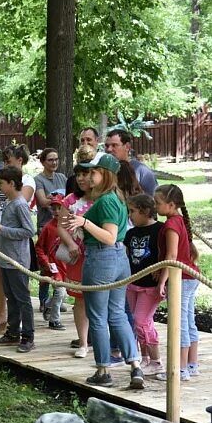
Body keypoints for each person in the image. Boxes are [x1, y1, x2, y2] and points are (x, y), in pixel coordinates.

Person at [61, 153, 144, 389]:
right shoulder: (116, 197)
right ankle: (135, 366)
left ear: (104, 174)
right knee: (117, 314)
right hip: (119, 259)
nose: (87, 176)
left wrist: (84, 223)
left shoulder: (107, 200)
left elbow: (108, 237)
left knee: (97, 316)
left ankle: (103, 369)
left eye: (92, 172)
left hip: (102, 258)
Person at [154, 184, 201, 381]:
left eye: (158, 203)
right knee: (188, 321)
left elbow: (171, 256)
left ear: (171, 204)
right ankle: (191, 363)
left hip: (180, 278)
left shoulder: (171, 224)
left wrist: (162, 280)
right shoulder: (179, 220)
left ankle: (180, 368)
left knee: (179, 323)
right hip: (190, 277)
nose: (155, 206)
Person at [0, 166, 35, 352]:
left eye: (1, 183)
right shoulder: (8, 202)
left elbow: (29, 231)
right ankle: (13, 331)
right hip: (6, 258)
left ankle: (28, 336)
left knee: (22, 298)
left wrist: (3, 230)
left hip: (17, 260)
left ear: (11, 183)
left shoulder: (20, 204)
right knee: (12, 298)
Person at [58, 147, 96, 358]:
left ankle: (103, 341)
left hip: (99, 254)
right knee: (80, 299)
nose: (81, 178)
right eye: (78, 174)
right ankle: (83, 342)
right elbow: (61, 226)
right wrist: (71, 244)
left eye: (85, 174)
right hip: (77, 255)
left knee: (100, 298)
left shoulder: (102, 198)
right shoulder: (70, 200)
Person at [124, 194, 164, 375]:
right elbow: (126, 256)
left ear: (146, 211)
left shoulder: (160, 230)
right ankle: (145, 357)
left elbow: (169, 253)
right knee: (137, 321)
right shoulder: (131, 233)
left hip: (151, 285)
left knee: (142, 321)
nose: (130, 215)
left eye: (132, 211)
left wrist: (163, 277)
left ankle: (156, 361)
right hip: (133, 283)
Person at [34, 194, 67, 331]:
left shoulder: (70, 225)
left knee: (64, 293)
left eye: (60, 208)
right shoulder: (48, 227)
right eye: (54, 209)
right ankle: (54, 320)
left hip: (66, 266)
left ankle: (47, 304)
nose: (57, 212)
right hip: (53, 267)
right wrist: (45, 262)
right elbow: (39, 247)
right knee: (59, 292)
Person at [105, 129, 157, 197]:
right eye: (107, 146)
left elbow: (154, 200)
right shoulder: (103, 170)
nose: (109, 149)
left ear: (127, 147)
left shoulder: (142, 171)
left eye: (114, 145)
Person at [66, 127, 100, 195]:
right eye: (82, 140)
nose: (85, 143)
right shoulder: (72, 181)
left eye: (89, 139)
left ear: (97, 141)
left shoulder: (104, 170)